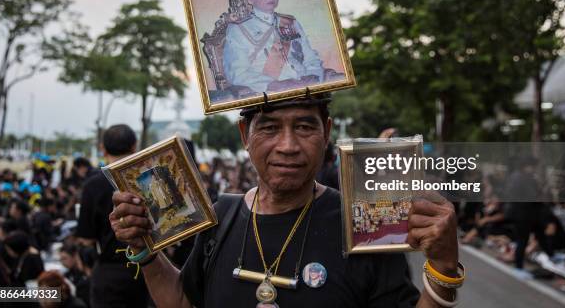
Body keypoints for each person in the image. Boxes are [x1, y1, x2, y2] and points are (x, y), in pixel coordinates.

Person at [110, 94, 463, 307]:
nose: (288, 145)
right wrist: (146, 251)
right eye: (269, 128)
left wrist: (443, 267)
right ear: (245, 134)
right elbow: (184, 301)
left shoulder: (365, 226)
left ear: (326, 131)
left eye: (305, 127)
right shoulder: (222, 216)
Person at [76, 125, 149, 308]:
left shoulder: (92, 186)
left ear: (103, 149)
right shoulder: (147, 178)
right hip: (150, 268)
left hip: (110, 274)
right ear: (134, 146)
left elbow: (86, 239)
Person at [223, 0, 331, 93]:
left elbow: (310, 57)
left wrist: (314, 76)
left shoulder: (291, 22)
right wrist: (273, 85)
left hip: (306, 84)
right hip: (273, 92)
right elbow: (237, 73)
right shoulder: (238, 28)